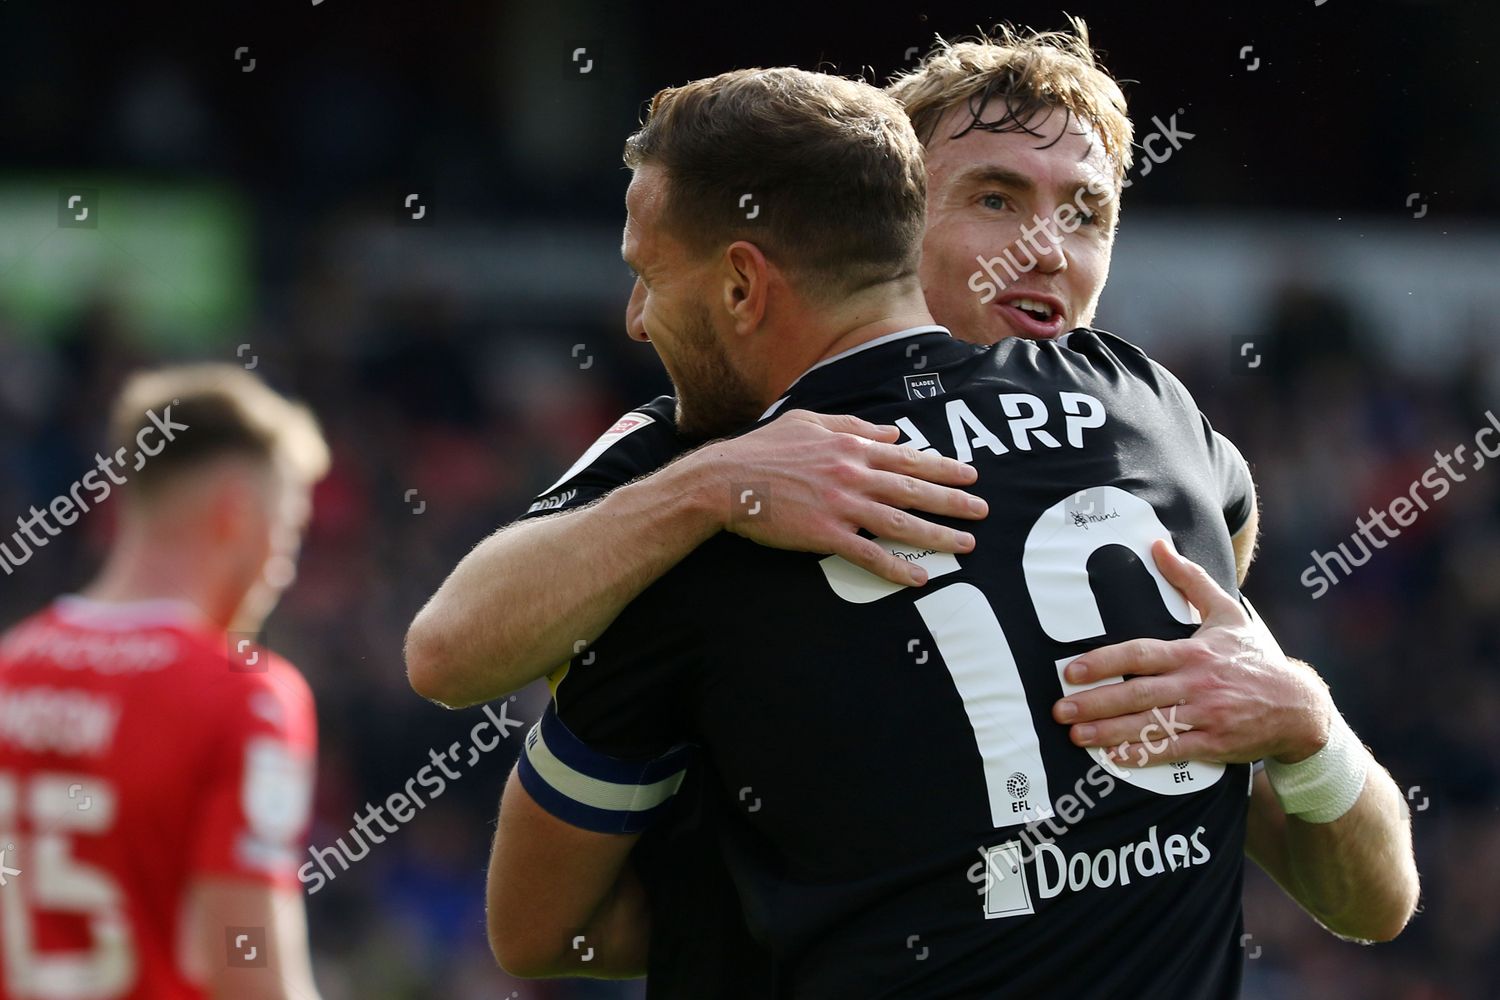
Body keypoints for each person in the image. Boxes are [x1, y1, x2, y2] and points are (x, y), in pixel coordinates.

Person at [410, 19, 1417, 993]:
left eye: (1086, 215)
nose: (1044, 249)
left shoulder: (1155, 424)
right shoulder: (718, 445)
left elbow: (1366, 895)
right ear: (893, 212)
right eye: (995, 198)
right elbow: (453, 655)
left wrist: (1311, 724)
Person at [0, 365, 329, 1000]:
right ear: (237, 511)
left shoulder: (10, 668)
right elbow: (252, 977)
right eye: (288, 532)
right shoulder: (246, 696)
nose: (283, 567)